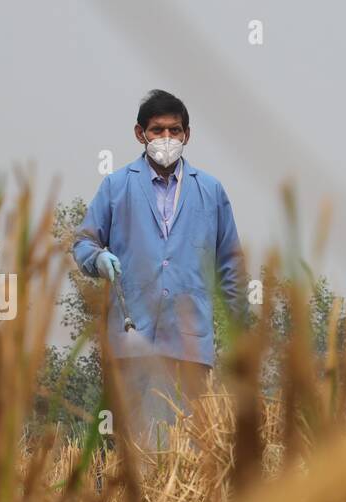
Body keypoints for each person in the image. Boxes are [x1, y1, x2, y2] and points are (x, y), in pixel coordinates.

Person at [73, 89, 245, 451]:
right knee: (130, 446)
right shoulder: (116, 187)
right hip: (131, 339)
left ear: (187, 134)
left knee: (189, 448)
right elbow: (83, 242)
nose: (166, 139)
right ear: (140, 134)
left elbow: (230, 267)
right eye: (157, 130)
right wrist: (97, 259)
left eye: (175, 130)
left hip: (189, 344)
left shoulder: (211, 192)